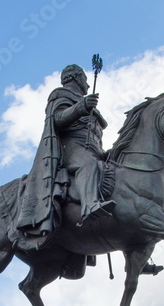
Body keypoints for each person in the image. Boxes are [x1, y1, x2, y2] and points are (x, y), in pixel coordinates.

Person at [16, 62, 114, 240]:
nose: (87, 84)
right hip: (70, 147)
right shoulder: (60, 94)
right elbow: (57, 119)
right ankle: (90, 206)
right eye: (85, 79)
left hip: (94, 149)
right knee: (89, 165)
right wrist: (81, 107)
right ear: (76, 77)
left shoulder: (82, 100)